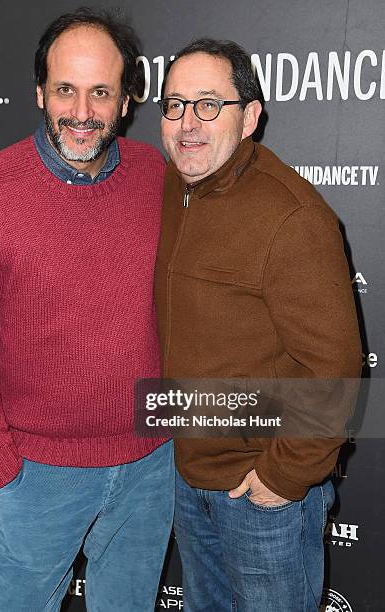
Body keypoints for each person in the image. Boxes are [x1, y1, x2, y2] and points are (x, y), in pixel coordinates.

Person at [0, 8, 173, 612]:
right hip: (39, 473)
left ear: (125, 101)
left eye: (100, 92)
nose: (82, 112)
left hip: (150, 465)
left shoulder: (156, 176)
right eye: (66, 89)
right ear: (41, 92)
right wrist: (3, 467)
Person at [154, 38, 362, 611]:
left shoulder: (294, 218)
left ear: (249, 117)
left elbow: (334, 368)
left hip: (259, 493)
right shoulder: (173, 186)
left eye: (207, 104)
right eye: (174, 105)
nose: (188, 123)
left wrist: (282, 478)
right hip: (188, 475)